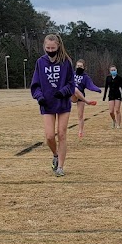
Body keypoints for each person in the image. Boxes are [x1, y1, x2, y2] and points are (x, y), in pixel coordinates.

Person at [30, 33, 75, 177]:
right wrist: (39, 97)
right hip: (47, 104)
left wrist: (63, 92)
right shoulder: (40, 62)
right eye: (47, 48)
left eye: (53, 48)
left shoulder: (66, 62)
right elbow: (35, 85)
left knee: (61, 134)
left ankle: (60, 167)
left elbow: (71, 84)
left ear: (58, 46)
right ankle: (55, 154)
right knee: (49, 136)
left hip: (62, 103)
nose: (50, 50)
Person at [72, 59, 101, 139]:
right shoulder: (72, 74)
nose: (79, 67)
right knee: (75, 89)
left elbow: (91, 85)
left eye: (81, 66)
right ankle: (87, 102)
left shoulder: (86, 77)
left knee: (80, 115)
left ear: (84, 67)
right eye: (78, 66)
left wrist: (97, 89)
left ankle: (80, 131)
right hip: (72, 95)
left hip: (81, 96)